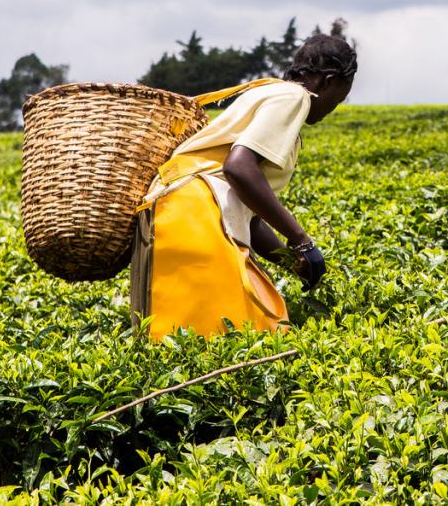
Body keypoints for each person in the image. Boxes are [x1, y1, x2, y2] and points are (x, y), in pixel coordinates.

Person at [130, 34, 357, 340]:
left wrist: (292, 261)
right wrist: (302, 240)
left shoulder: (268, 93)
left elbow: (246, 210)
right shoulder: (294, 98)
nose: (334, 108)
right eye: (339, 99)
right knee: (244, 332)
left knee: (175, 335)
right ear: (327, 82)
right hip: (195, 212)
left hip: (174, 210)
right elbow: (238, 169)